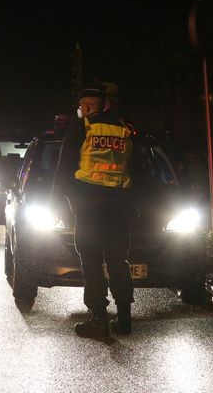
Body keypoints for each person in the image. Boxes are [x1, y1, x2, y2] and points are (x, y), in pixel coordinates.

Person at [53, 86, 134, 337]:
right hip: (118, 207)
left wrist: (57, 201)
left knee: (91, 261)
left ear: (87, 107)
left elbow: (64, 168)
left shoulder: (81, 128)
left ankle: (98, 318)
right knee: (118, 261)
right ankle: (124, 318)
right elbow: (135, 169)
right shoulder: (122, 130)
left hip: (88, 207)